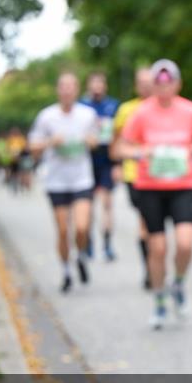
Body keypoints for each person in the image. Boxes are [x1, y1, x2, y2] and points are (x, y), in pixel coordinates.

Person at [116, 59, 192, 329]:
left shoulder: (191, 110)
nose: (164, 87)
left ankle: (177, 284)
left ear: (178, 84)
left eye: (169, 82)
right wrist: (143, 152)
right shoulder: (141, 113)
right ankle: (158, 299)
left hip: (182, 185)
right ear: (153, 85)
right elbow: (122, 148)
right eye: (159, 82)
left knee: (186, 244)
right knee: (157, 248)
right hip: (151, 188)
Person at [28, 72, 100, 293]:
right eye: (63, 86)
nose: (67, 90)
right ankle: (66, 271)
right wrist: (51, 142)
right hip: (57, 181)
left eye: (71, 86)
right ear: (58, 90)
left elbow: (97, 141)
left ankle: (80, 256)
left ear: (77, 90)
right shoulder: (47, 116)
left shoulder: (88, 115)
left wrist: (90, 141)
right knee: (62, 230)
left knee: (81, 227)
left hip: (81, 179)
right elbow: (33, 147)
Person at [111, 67, 154, 290]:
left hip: (163, 176)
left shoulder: (164, 108)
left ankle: (155, 263)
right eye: (142, 82)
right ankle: (150, 267)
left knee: (155, 226)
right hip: (135, 174)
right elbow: (117, 142)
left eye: (150, 81)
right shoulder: (127, 110)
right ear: (136, 85)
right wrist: (116, 164)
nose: (146, 86)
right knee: (146, 221)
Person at [80, 71, 120, 261]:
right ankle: (87, 243)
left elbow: (120, 134)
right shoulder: (81, 106)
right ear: (88, 86)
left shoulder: (113, 106)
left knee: (107, 203)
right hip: (86, 160)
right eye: (93, 83)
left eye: (100, 84)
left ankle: (107, 245)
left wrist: (118, 163)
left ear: (105, 86)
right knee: (88, 206)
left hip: (107, 160)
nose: (96, 88)